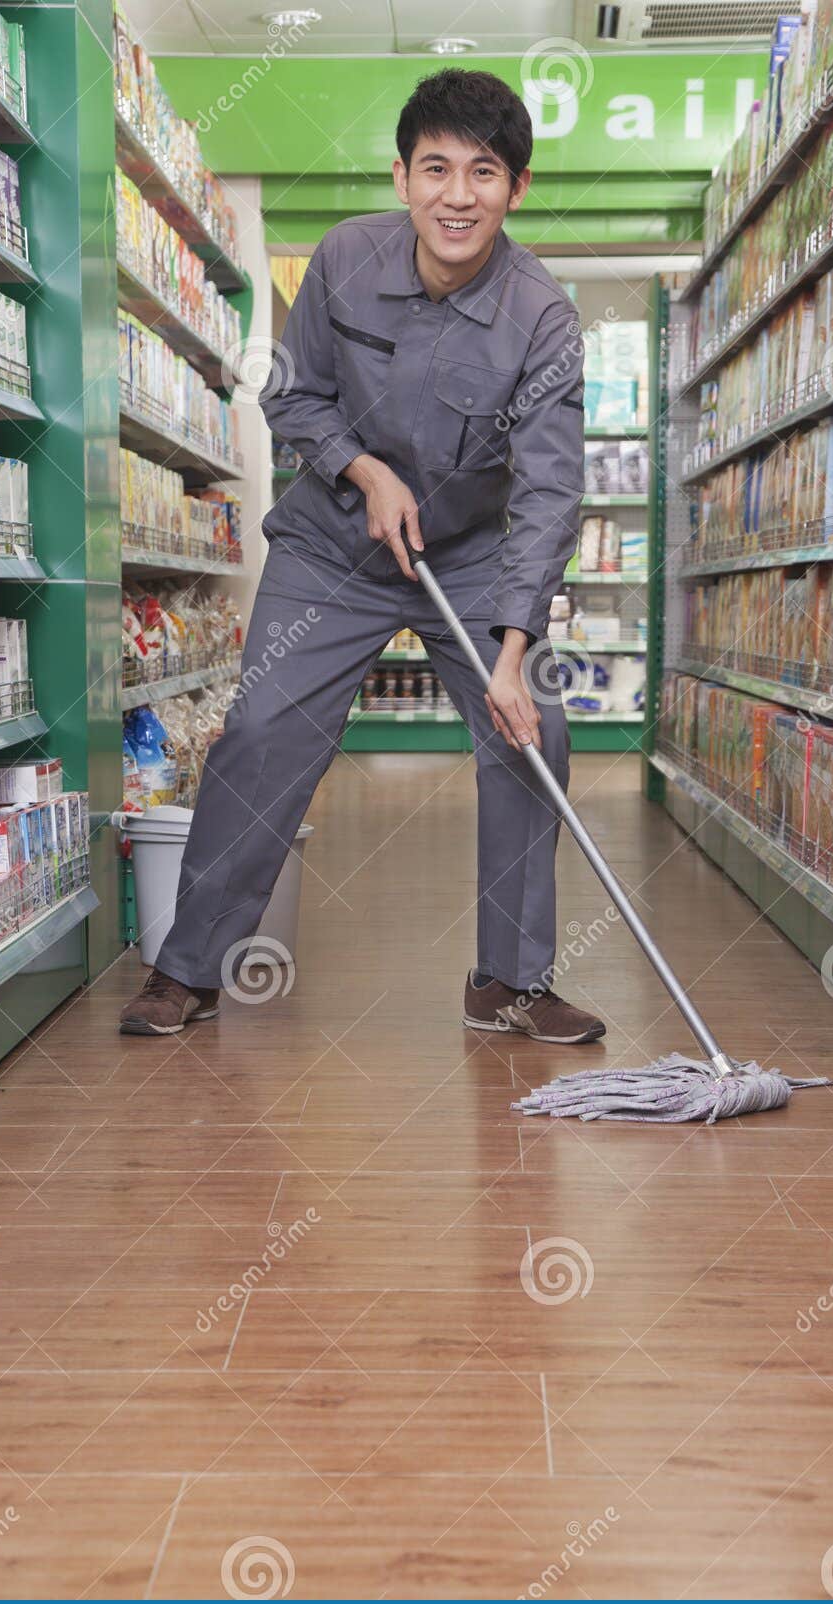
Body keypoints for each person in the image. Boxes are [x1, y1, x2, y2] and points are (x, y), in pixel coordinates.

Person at [120, 68, 606, 1046]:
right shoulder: (342, 259)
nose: (457, 194)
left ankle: (507, 980)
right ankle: (188, 966)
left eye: (483, 172)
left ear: (514, 188)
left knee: (530, 737)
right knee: (261, 730)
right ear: (400, 176)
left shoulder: (543, 319)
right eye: (436, 168)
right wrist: (362, 469)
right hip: (333, 547)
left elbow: (551, 492)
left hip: (465, 557)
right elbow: (289, 396)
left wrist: (512, 649)